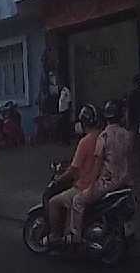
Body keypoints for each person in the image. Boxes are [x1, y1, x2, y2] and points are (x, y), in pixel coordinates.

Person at [72, 101, 136, 241]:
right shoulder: (128, 135)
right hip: (125, 183)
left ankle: (75, 238)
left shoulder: (103, 137)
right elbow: (131, 161)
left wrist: (90, 187)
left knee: (77, 201)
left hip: (108, 183)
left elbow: (98, 164)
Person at [43, 104, 102, 247]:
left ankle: (55, 236)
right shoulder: (102, 137)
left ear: (83, 122)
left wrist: (58, 180)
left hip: (84, 187)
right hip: (99, 185)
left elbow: (73, 170)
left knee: (54, 202)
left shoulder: (85, 142)